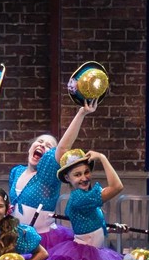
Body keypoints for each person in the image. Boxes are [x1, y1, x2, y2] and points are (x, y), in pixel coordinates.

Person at [6, 101, 94, 252]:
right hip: (17, 237)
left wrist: (81, 113)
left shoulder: (48, 175)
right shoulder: (16, 171)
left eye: (48, 146)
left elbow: (63, 147)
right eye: (40, 142)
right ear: (30, 148)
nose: (42, 145)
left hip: (42, 239)